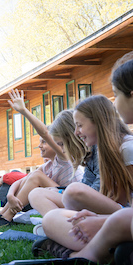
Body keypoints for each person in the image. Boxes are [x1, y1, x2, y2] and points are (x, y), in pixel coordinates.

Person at [31, 53, 133, 264]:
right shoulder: (107, 151)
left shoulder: (127, 147)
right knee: (51, 218)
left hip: (122, 220)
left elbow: (121, 207)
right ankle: (103, 247)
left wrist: (102, 220)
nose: (114, 102)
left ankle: (86, 252)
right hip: (119, 220)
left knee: (75, 194)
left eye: (116, 94)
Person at [0, 90, 85, 227]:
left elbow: (45, 132)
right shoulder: (48, 166)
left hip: (75, 201)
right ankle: (1, 215)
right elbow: (21, 181)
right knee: (34, 175)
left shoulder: (65, 157)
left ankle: (6, 217)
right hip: (62, 198)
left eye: (52, 142)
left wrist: (24, 111)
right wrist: (10, 196)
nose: (40, 146)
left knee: (36, 176)